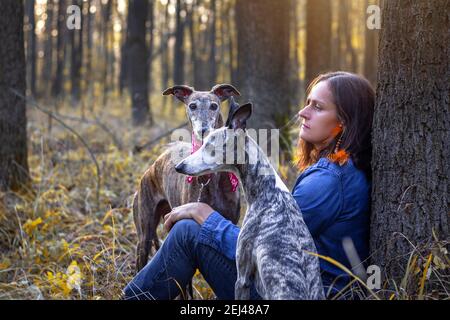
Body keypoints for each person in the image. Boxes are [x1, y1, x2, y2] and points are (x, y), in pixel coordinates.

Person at [123, 71, 375, 300]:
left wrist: (205, 215)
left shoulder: (327, 181)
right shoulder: (343, 167)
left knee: (188, 231)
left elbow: (267, 248)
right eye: (307, 102)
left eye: (317, 107)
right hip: (293, 282)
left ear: (343, 120)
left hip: (296, 291)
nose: (302, 112)